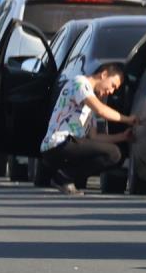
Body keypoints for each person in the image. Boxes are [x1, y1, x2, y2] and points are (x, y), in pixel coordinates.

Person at [37, 61, 135, 193]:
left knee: (115, 154)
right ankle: (64, 177)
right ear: (104, 74)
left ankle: (51, 172)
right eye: (112, 85)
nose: (111, 92)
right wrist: (128, 119)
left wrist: (122, 137)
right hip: (60, 143)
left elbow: (94, 137)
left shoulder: (88, 103)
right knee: (113, 154)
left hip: (65, 147)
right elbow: (101, 110)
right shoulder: (80, 83)